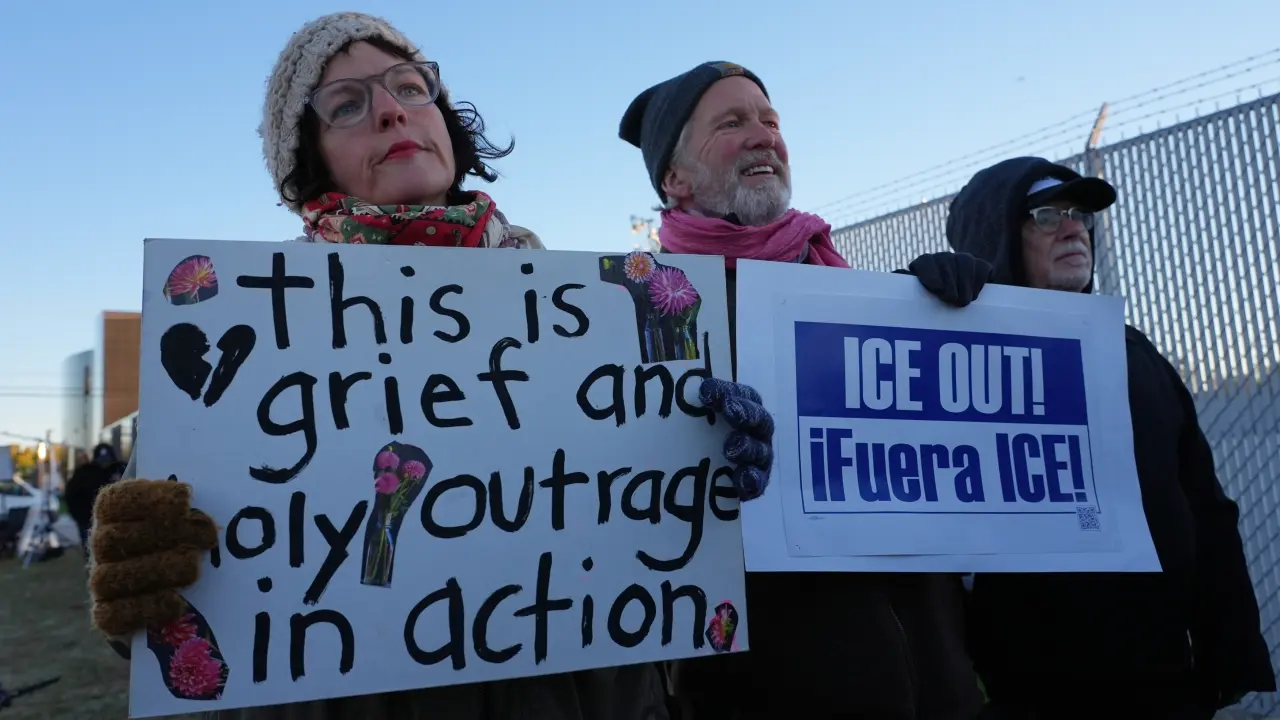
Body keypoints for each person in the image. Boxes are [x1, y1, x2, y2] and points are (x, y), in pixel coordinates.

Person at [85, 12, 759, 719]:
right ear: (308, 160)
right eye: (346, 104)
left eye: (411, 87)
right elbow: (182, 626)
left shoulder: (599, 319)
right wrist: (140, 580)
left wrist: (705, 461)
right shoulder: (245, 348)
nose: (389, 110)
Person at [619, 61, 991, 720]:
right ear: (674, 179)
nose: (763, 136)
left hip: (934, 688)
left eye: (770, 121)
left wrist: (942, 324)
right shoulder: (645, 321)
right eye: (731, 123)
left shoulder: (856, 291)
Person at [944, 156, 1276, 719]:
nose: (1074, 227)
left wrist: (1230, 650)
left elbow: (1206, 508)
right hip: (1025, 694)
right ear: (995, 235)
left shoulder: (1136, 354)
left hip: (1165, 683)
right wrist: (916, 298)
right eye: (1046, 216)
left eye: (1079, 214)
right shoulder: (958, 364)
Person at [64, 443, 124, 554]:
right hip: (89, 521)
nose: (104, 463)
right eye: (101, 460)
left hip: (117, 521)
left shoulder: (121, 470)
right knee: (92, 553)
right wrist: (81, 517)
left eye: (107, 460)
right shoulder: (84, 473)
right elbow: (70, 495)